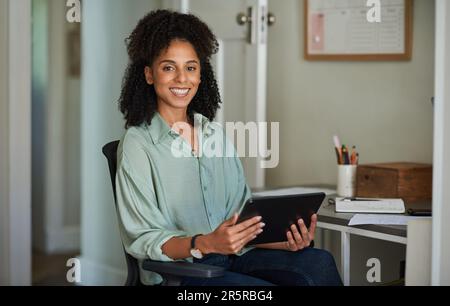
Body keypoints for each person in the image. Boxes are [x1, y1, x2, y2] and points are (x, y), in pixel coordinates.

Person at [116, 9, 342, 286]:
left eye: (190, 67)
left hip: (235, 258)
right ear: (150, 75)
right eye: (168, 67)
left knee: (318, 263)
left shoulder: (215, 135)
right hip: (180, 273)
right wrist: (205, 243)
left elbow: (241, 221)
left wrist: (284, 242)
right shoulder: (138, 144)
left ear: (201, 75)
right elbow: (143, 238)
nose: (182, 78)